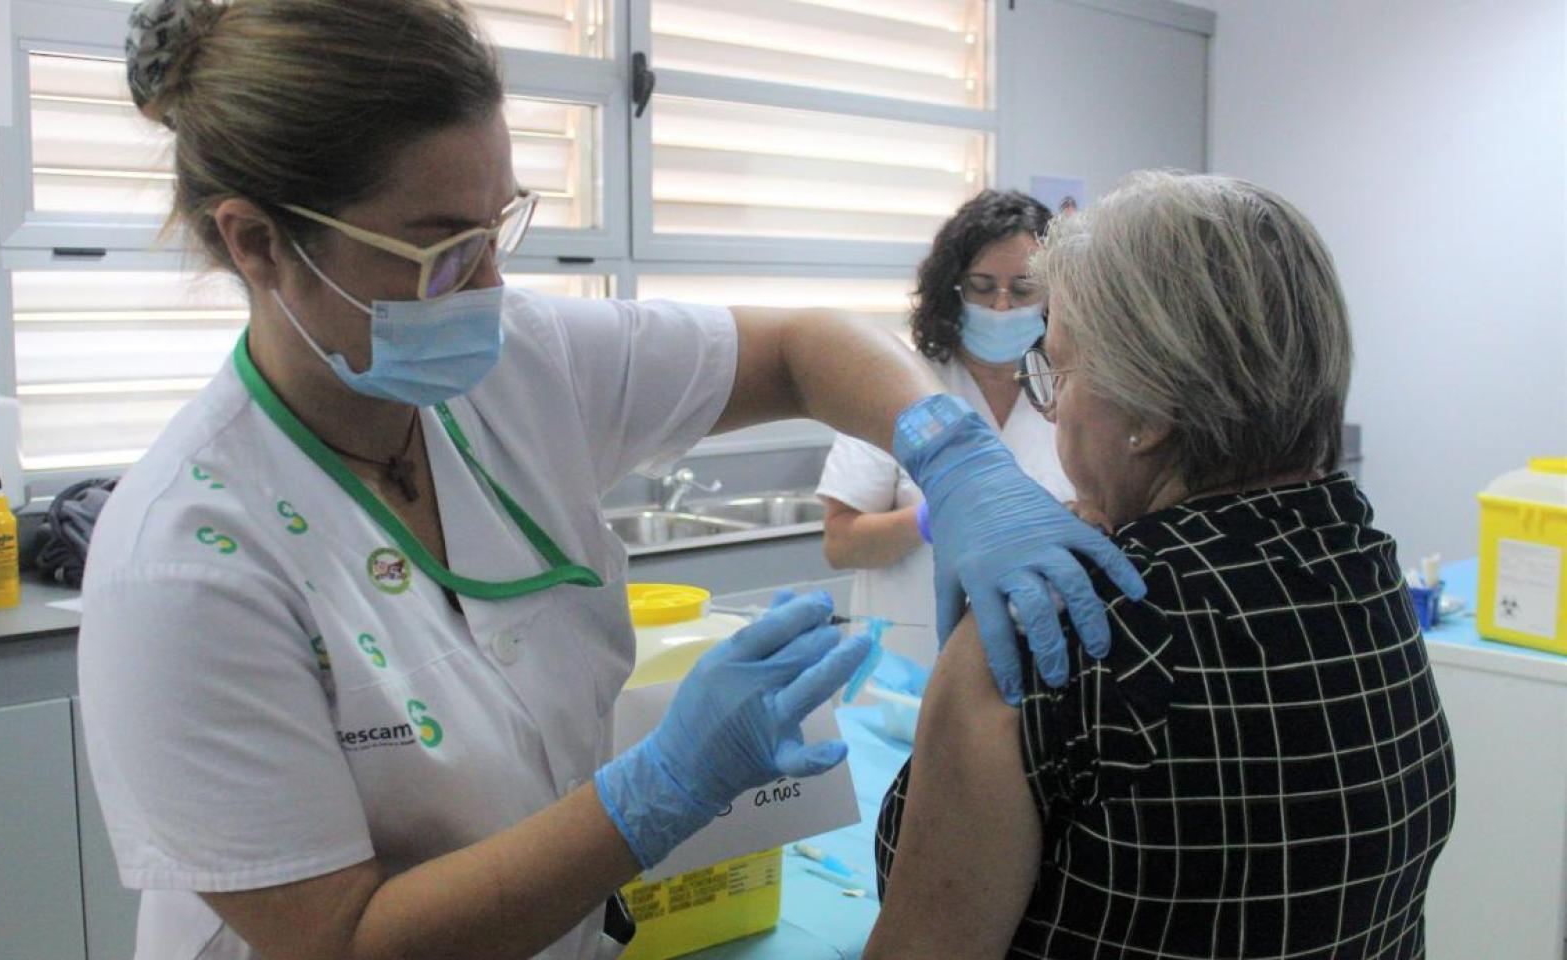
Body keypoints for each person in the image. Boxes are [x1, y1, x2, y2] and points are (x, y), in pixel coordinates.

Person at [77, 2, 1146, 958]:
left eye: (497, 226)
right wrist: (654, 793)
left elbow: (800, 348)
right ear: (259, 245)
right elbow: (341, 943)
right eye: (438, 250)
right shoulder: (182, 567)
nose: (490, 288)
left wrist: (948, 450)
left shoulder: (522, 366)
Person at [865, 171, 1457, 959]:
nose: (1053, 405)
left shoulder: (1052, 634)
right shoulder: (1364, 571)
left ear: (1148, 414)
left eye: (1060, 370)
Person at [817, 191, 1074, 668]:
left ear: (1052, 294)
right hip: (906, 672)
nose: (1001, 307)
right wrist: (929, 519)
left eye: (1022, 289)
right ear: (951, 288)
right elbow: (841, 543)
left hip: (1041, 668)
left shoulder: (1070, 391)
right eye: (981, 286)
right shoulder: (894, 387)